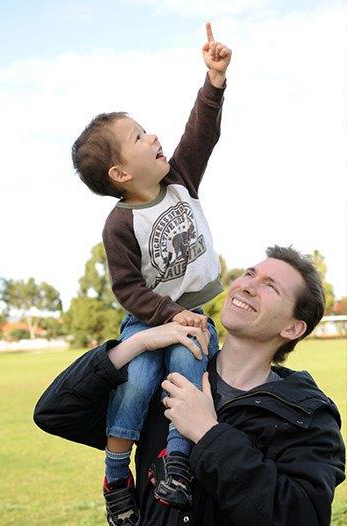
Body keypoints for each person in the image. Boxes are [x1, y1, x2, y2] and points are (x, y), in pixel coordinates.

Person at [34, 245, 345, 525]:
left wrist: (209, 432)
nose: (248, 285)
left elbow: (301, 515)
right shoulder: (163, 377)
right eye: (251, 273)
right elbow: (56, 413)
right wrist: (137, 343)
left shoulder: (307, 415)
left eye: (270, 286)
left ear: (293, 327)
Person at [70, 21, 231, 522]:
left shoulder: (180, 178)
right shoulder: (120, 224)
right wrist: (166, 318)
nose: (154, 135)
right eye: (139, 136)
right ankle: (116, 475)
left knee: (187, 373)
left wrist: (214, 81)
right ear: (120, 173)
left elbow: (199, 134)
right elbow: (127, 288)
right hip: (147, 321)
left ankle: (176, 463)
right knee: (137, 382)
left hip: (192, 315)